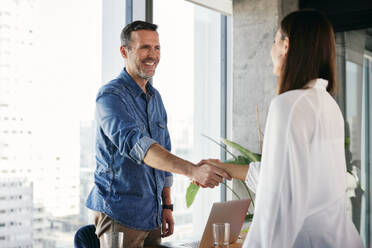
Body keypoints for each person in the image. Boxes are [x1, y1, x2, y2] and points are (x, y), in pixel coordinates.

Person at [200, 10, 364, 248]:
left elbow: (277, 200)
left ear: (286, 45)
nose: (271, 50)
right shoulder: (328, 105)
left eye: (275, 40)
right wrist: (224, 167)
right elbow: (284, 176)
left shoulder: (289, 105)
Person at [85, 21, 231, 248]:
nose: (152, 55)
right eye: (144, 47)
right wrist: (193, 170)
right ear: (125, 51)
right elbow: (139, 147)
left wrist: (167, 205)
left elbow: (163, 152)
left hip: (151, 214)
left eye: (157, 48)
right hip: (120, 214)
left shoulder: (155, 98)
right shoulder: (110, 96)